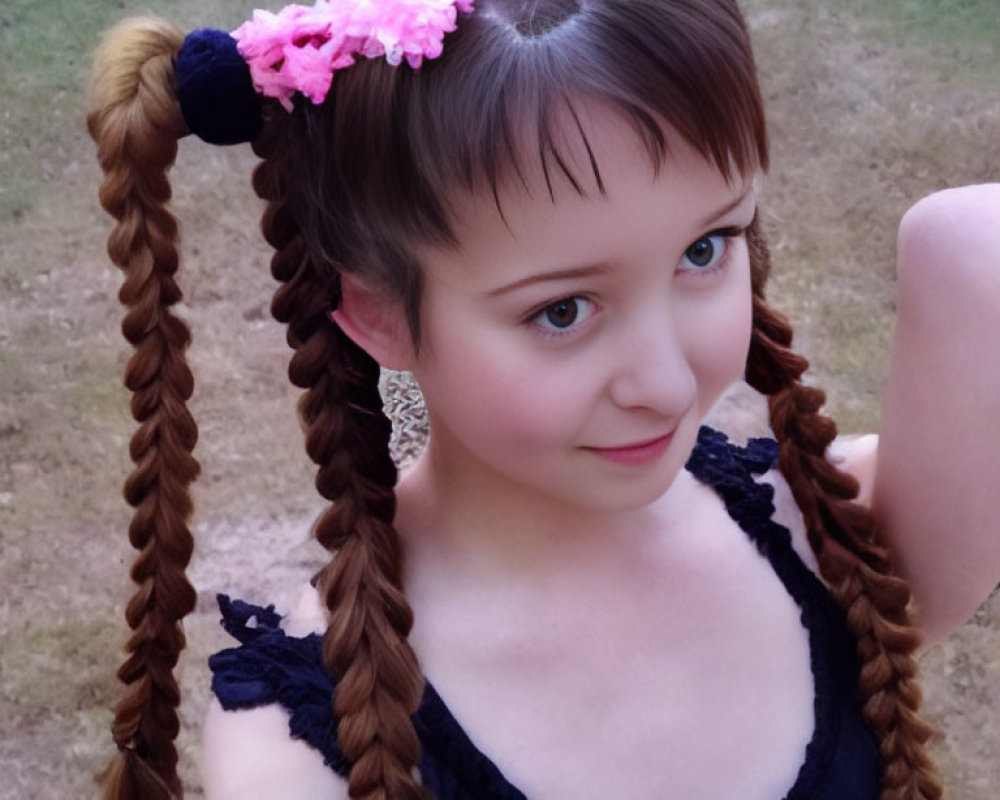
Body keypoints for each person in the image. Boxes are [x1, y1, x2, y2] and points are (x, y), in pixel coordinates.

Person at [86, 1, 1000, 798]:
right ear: (377, 314)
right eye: (561, 310)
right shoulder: (307, 751)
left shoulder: (835, 536)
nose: (670, 384)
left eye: (706, 249)